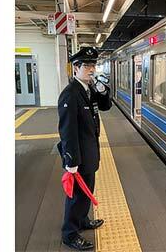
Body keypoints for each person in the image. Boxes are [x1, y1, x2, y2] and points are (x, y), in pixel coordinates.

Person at [57, 47, 112, 250]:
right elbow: (67, 130)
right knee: (76, 196)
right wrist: (71, 161)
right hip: (78, 156)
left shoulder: (87, 89)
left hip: (89, 152)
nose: (91, 69)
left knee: (87, 190)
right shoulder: (70, 94)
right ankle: (70, 233)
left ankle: (82, 220)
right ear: (76, 68)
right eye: (87, 65)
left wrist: (103, 90)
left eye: (93, 65)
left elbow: (105, 107)